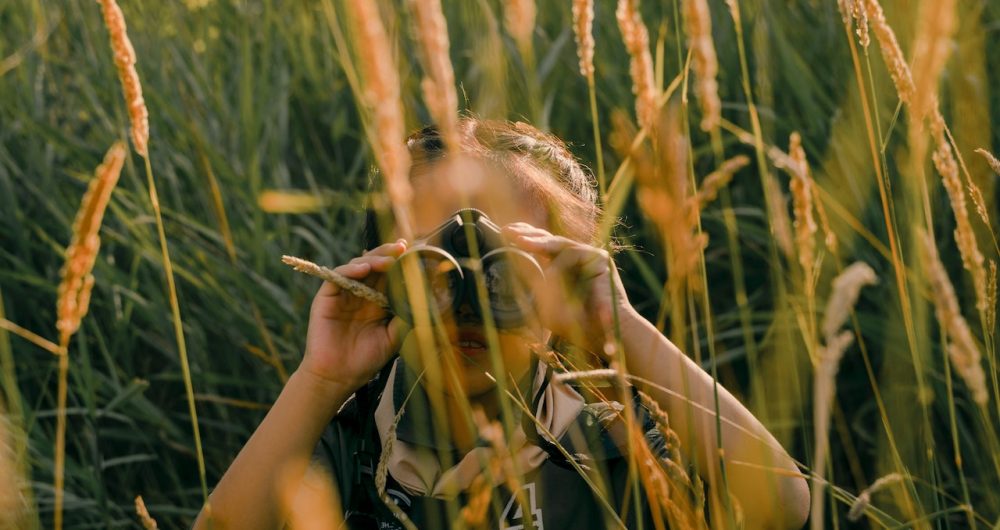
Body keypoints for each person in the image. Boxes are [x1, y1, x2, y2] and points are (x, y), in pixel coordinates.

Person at [194, 118, 810, 529]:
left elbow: (784, 506)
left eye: (508, 275)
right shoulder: (355, 443)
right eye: (436, 271)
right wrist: (321, 377)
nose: (468, 302)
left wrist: (621, 327)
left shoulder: (604, 435)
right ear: (384, 279)